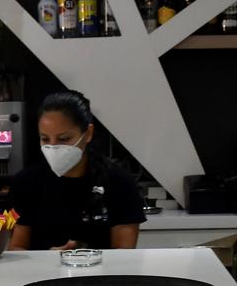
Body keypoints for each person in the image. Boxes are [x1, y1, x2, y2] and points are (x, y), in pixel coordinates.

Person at [8, 91, 146, 251]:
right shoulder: (25, 183)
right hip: (42, 276)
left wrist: (84, 257)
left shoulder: (119, 182)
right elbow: (17, 248)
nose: (53, 146)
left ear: (87, 134)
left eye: (64, 139)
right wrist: (46, 260)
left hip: (102, 275)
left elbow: (125, 255)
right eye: (45, 139)